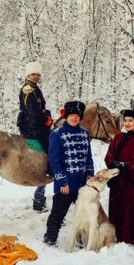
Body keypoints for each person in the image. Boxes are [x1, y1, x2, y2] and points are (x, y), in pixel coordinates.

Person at [44, 101, 94, 246]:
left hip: (82, 183)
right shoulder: (57, 134)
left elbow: (88, 157)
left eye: (77, 116)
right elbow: (54, 160)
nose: (74, 118)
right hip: (65, 184)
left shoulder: (84, 133)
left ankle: (81, 237)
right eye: (71, 115)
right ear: (66, 116)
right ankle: (50, 237)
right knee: (58, 213)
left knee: (83, 212)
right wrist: (62, 182)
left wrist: (90, 174)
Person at [104, 109, 134, 245]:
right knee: (118, 207)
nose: (127, 123)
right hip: (118, 181)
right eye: (125, 120)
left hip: (133, 182)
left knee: (133, 208)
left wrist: (126, 166)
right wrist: (112, 162)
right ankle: (118, 234)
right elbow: (109, 154)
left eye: (130, 121)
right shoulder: (119, 137)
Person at [17, 61, 53, 212]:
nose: (36, 76)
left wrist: (47, 114)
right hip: (31, 124)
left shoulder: (34, 88)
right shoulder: (28, 89)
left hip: (36, 122)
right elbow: (33, 110)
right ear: (28, 75)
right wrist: (45, 116)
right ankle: (50, 169)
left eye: (38, 74)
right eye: (33, 74)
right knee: (52, 142)